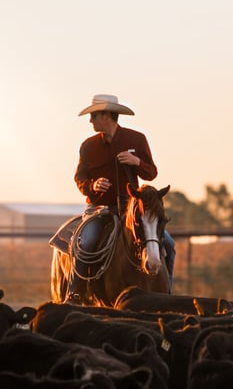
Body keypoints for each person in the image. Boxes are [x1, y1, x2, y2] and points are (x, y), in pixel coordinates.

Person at [65, 94, 176, 302]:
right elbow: (80, 178)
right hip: (99, 210)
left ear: (107, 115)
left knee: (168, 244)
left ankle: (167, 290)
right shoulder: (88, 146)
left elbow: (151, 173)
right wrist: (92, 185)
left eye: (94, 116)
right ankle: (75, 293)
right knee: (85, 243)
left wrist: (137, 162)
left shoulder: (137, 139)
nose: (91, 121)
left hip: (132, 210)